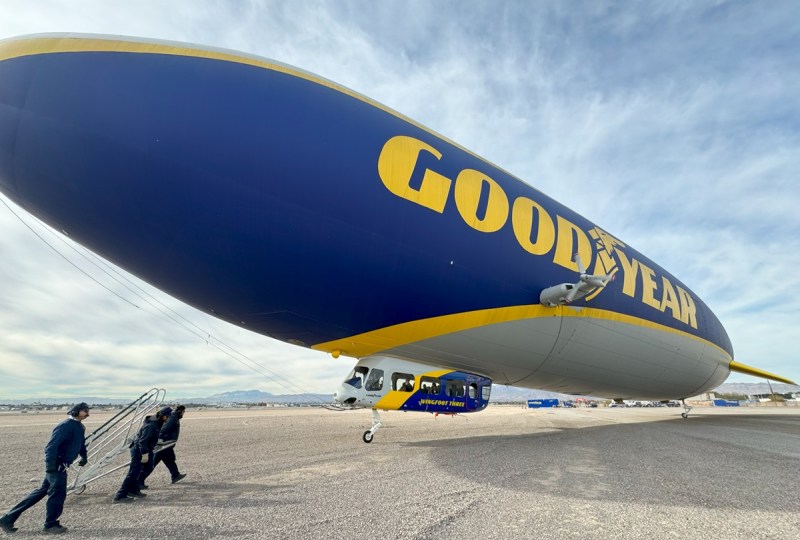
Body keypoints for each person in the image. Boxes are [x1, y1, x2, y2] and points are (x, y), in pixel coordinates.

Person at [0, 402, 90, 535]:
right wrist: (51, 466)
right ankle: (50, 524)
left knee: (41, 492)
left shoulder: (80, 427)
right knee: (58, 494)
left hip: (60, 466)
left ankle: (8, 518)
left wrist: (84, 456)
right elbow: (51, 447)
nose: (88, 413)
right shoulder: (65, 426)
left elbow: (80, 443)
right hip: (57, 466)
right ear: (76, 411)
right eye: (85, 410)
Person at [112, 407, 171, 503]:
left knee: (148, 467)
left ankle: (133, 489)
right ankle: (120, 495)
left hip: (148, 448)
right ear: (162, 416)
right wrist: (144, 454)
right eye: (167, 417)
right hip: (139, 449)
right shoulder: (151, 425)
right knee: (134, 471)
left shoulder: (157, 423)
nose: (168, 419)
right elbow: (142, 441)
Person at [137, 405, 186, 488]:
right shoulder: (173, 418)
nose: (184, 413)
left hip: (167, 444)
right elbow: (164, 429)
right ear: (180, 411)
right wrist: (160, 440)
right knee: (152, 463)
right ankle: (139, 481)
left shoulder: (174, 417)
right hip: (164, 444)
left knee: (170, 460)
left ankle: (175, 475)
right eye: (183, 411)